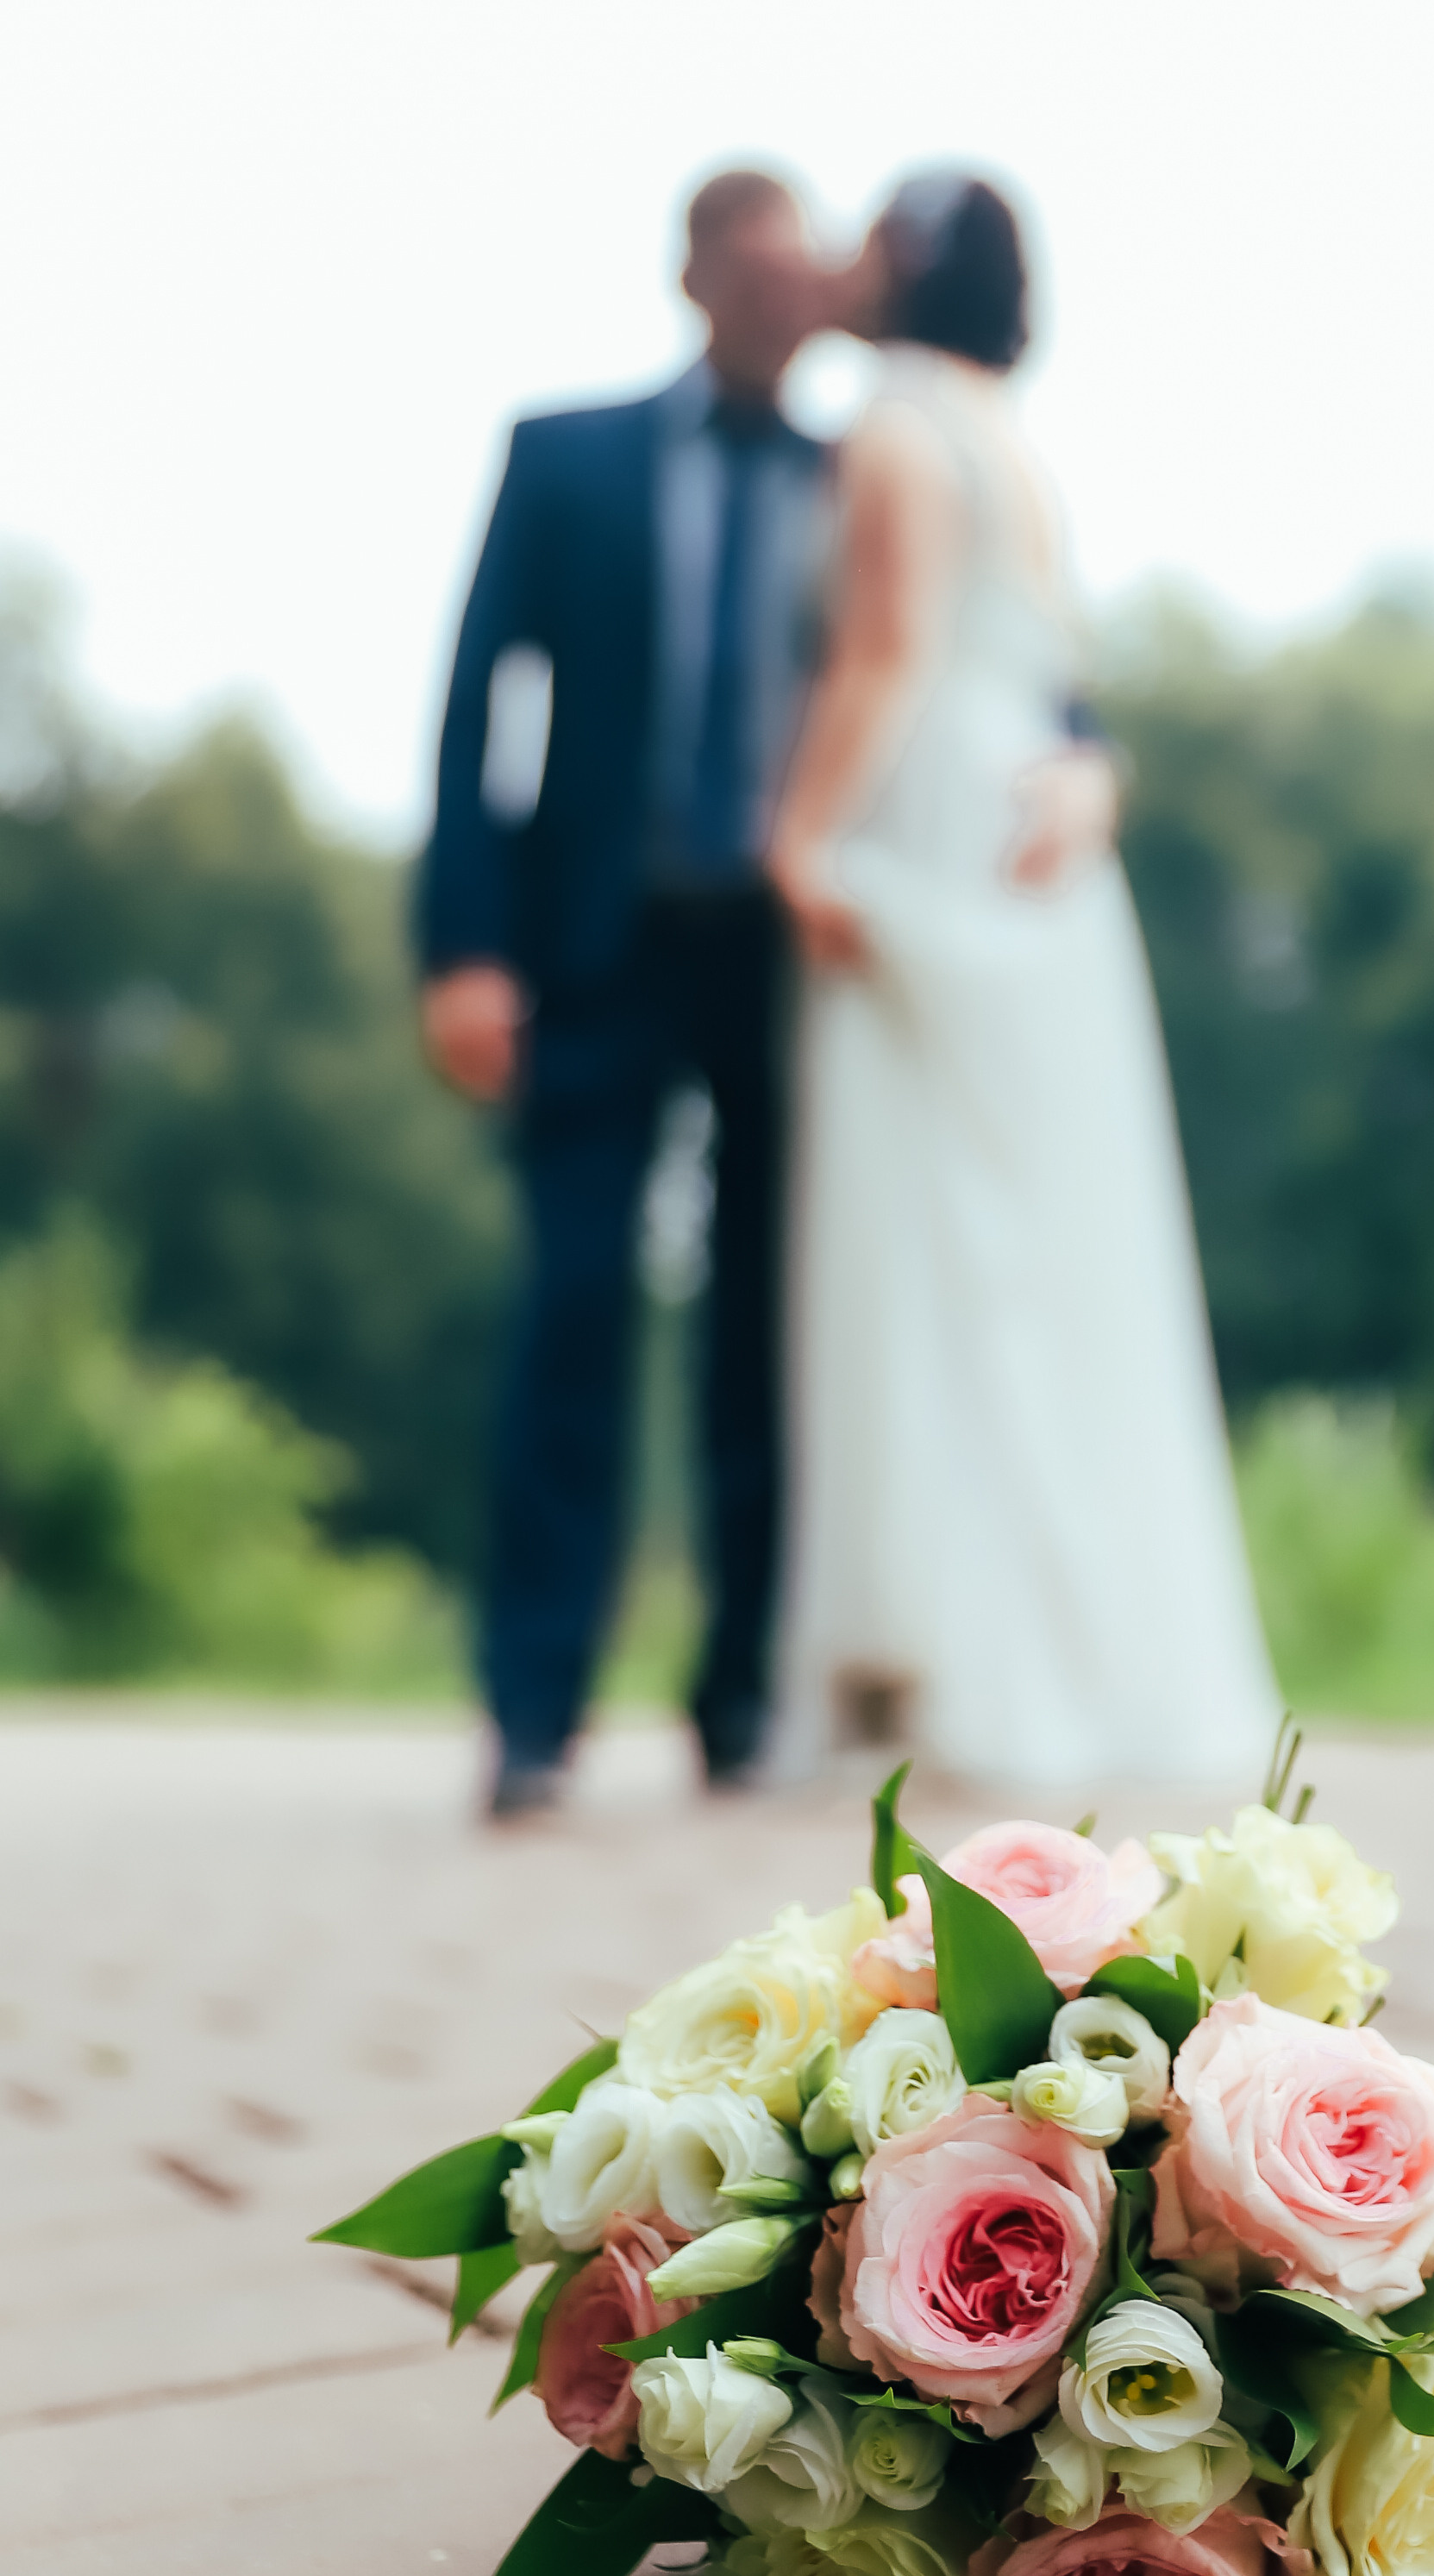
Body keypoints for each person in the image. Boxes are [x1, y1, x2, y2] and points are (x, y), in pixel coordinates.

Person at [419, 170, 1115, 1815]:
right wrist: (464, 945)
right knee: (573, 1310)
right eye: (741, 256)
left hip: (786, 955)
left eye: (796, 259)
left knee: (766, 1328)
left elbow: (989, 652)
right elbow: (474, 705)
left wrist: (1089, 764)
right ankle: (533, 1709)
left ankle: (738, 1697)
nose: (773, 284)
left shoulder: (860, 461)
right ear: (685, 273)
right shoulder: (563, 455)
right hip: (594, 946)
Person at [765, 173, 1281, 1792]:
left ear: (906, 267)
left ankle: (932, 1654)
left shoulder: (897, 430)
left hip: (925, 822)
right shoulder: (1016, 446)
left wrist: (799, 834)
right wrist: (1094, 778)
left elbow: (886, 648)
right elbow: (1056, 676)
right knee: (1044, 1259)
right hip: (1036, 841)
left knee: (920, 1241)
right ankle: (1031, 1647)